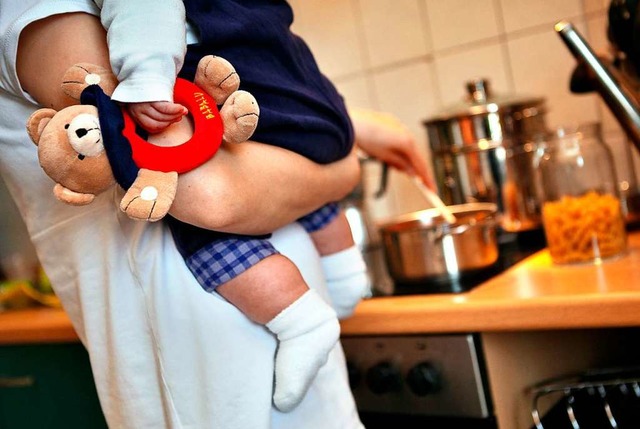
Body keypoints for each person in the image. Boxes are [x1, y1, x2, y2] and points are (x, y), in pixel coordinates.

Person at [1, 2, 432, 429]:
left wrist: (347, 130)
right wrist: (344, 165)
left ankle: (337, 284)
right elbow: (206, 191)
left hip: (260, 344)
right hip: (213, 369)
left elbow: (201, 135)